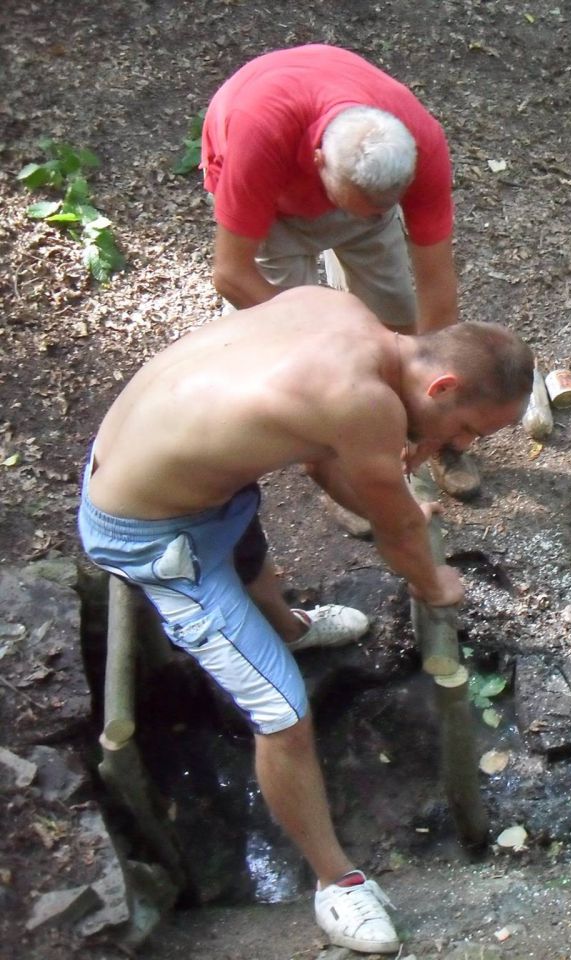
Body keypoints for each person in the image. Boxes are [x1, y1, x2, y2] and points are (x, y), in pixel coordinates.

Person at [78, 287, 532, 953]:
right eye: (468, 430)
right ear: (441, 386)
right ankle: (336, 883)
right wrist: (434, 579)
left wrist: (396, 503)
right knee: (283, 715)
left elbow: (324, 459)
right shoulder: (366, 402)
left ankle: (289, 629)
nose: (460, 445)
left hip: (160, 473)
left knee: (242, 510)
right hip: (150, 533)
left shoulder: (338, 311)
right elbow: (398, 533)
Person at [200, 43, 481, 500]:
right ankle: (336, 466)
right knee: (303, 355)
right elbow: (231, 274)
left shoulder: (419, 145)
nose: (367, 216)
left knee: (397, 317)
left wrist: (433, 408)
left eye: (382, 209)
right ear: (319, 163)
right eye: (355, 207)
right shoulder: (259, 135)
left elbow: (437, 288)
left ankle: (422, 432)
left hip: (350, 183)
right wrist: (331, 346)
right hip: (273, 209)